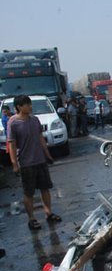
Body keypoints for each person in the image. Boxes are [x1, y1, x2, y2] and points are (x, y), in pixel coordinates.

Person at [7, 95, 62, 230]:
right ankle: (32, 218)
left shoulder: (35, 120)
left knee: (45, 188)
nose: (30, 107)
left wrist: (48, 155)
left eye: (30, 104)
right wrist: (15, 164)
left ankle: (48, 212)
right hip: (26, 163)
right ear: (19, 107)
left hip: (40, 160)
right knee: (29, 192)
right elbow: (12, 145)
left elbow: (40, 138)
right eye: (27, 105)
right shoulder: (13, 123)